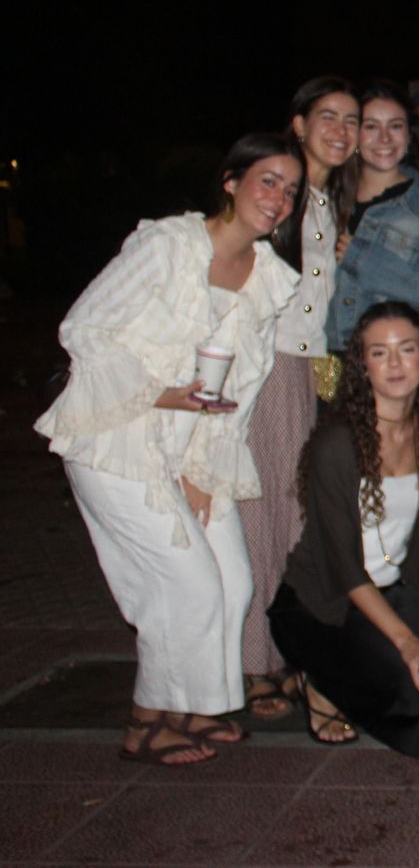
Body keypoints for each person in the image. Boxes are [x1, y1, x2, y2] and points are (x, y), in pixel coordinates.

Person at [35, 133, 304, 765]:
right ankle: (145, 720)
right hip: (115, 437)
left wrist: (203, 469)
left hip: (191, 447)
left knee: (232, 584)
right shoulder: (168, 246)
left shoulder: (267, 277)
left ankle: (197, 706)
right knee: (184, 583)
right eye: (268, 181)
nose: (280, 198)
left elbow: (240, 387)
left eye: (291, 190)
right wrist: (163, 395)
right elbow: (83, 330)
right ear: (231, 183)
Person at [269, 301, 419, 757]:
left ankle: (349, 673)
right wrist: (407, 641)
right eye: (379, 353)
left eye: (406, 349)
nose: (395, 364)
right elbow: (343, 567)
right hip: (323, 605)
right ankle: (318, 682)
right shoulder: (337, 443)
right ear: (363, 367)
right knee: (408, 680)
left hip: (388, 592)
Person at [238, 77, 360, 719]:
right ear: (298, 122)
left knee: (292, 516)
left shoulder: (322, 201)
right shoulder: (279, 196)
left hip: (307, 369)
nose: (341, 130)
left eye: (352, 120)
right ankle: (253, 666)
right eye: (328, 117)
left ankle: (279, 651)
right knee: (261, 514)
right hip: (266, 367)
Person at [326, 80, 419, 352]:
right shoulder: (327, 199)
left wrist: (367, 261)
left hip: (393, 363)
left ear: (410, 135)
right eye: (371, 126)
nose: (384, 138)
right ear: (353, 134)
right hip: (326, 365)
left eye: (395, 126)